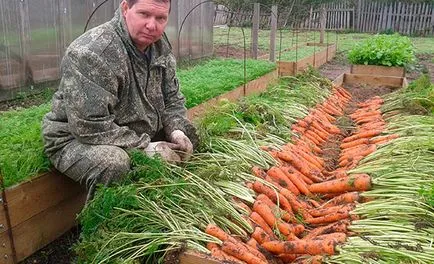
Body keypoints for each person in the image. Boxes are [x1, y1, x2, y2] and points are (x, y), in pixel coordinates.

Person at [42, 0, 198, 201]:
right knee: (114, 163)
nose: (152, 25)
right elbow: (89, 127)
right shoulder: (93, 52)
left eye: (161, 18)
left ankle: (160, 201)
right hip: (77, 138)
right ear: (125, 9)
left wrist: (177, 130)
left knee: (189, 137)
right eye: (144, 14)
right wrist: (145, 147)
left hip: (132, 130)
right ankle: (105, 224)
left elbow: (173, 99)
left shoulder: (158, 46)